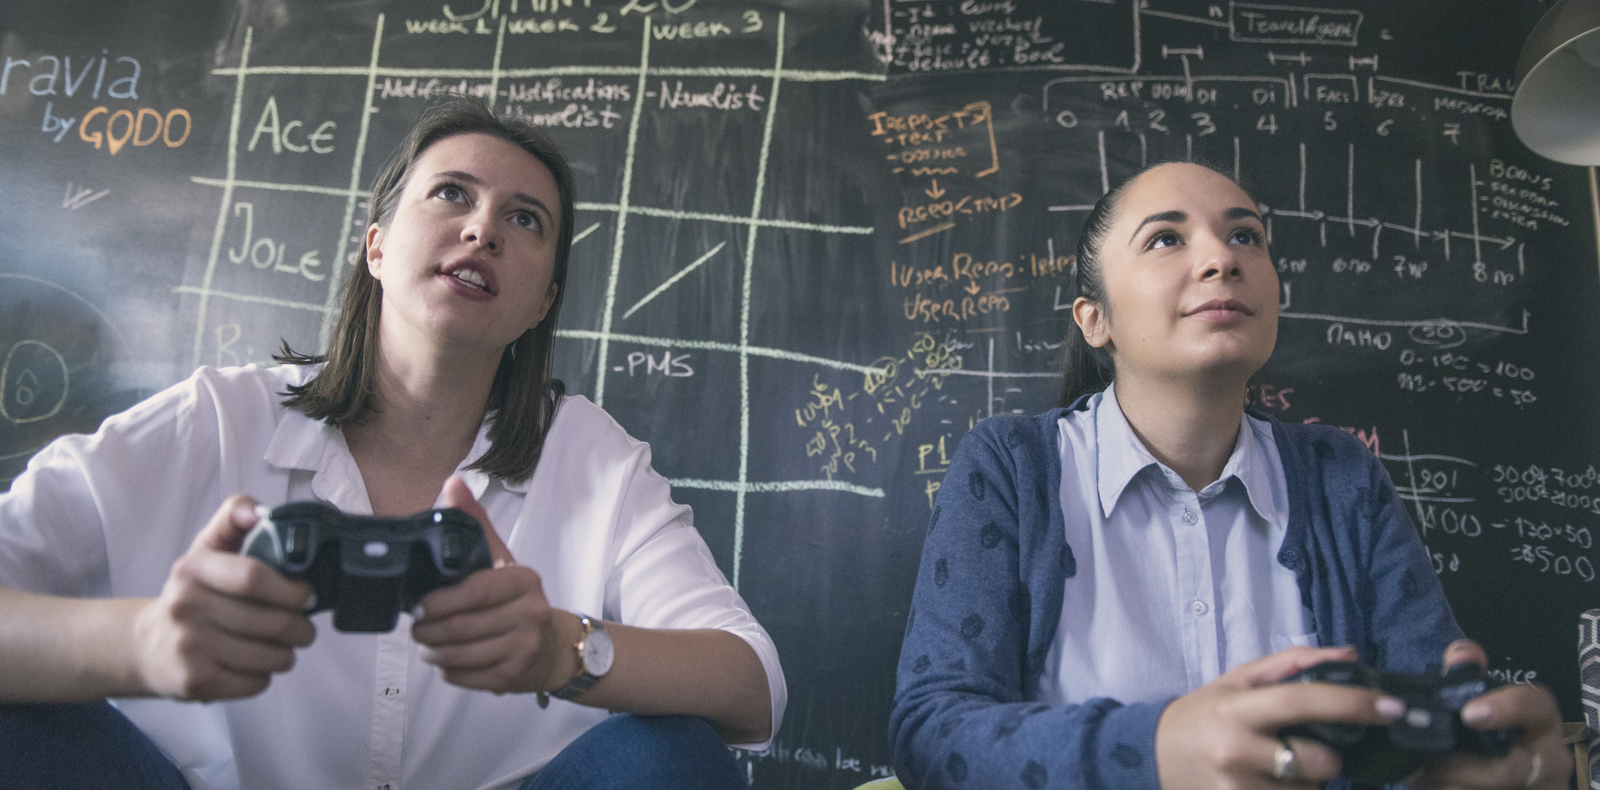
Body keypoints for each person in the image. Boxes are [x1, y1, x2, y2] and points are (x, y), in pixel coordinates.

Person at [0, 99, 785, 790]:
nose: (483, 229)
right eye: (452, 194)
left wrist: (562, 651)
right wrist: (141, 643)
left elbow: (751, 685)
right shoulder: (216, 417)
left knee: (669, 755)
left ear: (543, 303)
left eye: (525, 219)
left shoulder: (592, 458)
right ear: (375, 248)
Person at [891, 161, 1568, 790]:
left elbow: (1423, 715)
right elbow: (930, 733)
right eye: (1164, 240)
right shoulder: (1011, 468)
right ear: (1096, 319)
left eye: (1246, 236)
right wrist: (1158, 745)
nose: (1222, 259)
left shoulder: (1342, 477)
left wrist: (1488, 754)